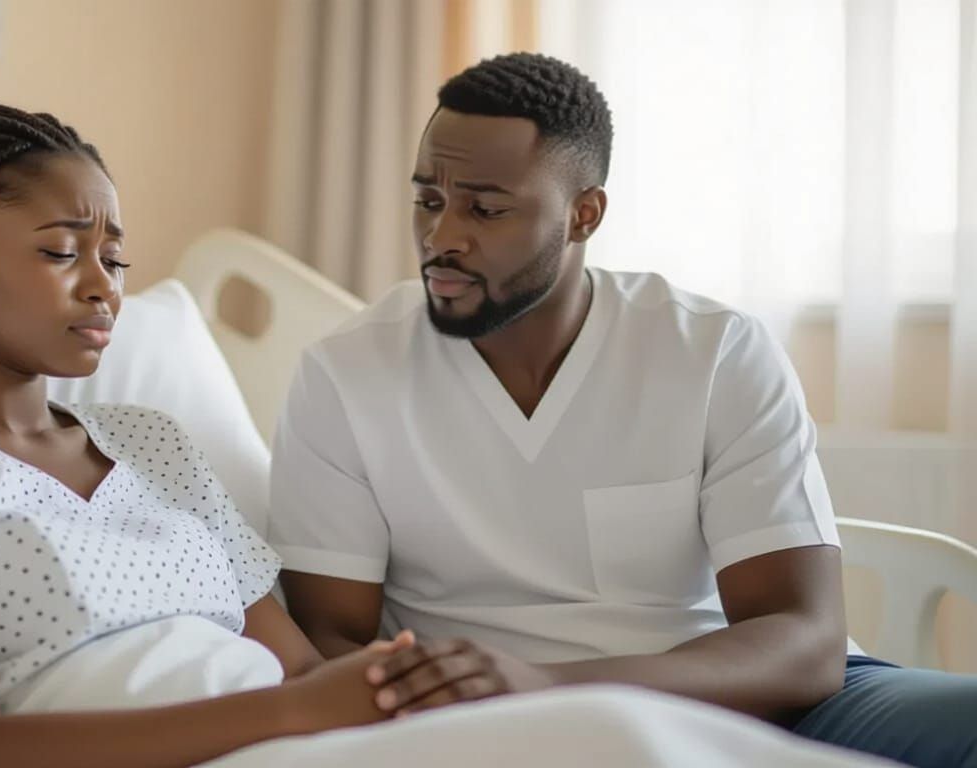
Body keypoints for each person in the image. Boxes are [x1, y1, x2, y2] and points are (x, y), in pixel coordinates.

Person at [268, 53, 977, 768]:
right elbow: (331, 641)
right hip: (481, 728)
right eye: (428, 201)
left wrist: (548, 688)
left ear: (584, 215)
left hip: (748, 700)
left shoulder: (714, 352)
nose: (441, 237)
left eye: (486, 209)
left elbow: (804, 641)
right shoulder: (345, 375)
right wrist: (484, 715)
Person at [0, 103, 411, 768]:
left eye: (114, 259)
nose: (103, 287)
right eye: (61, 252)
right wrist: (291, 714)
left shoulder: (152, 441)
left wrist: (405, 684)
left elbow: (303, 672)